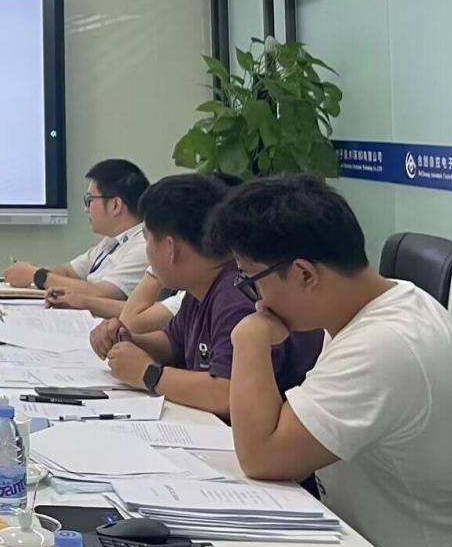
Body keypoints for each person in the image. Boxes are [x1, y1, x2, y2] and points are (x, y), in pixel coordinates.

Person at [213, 175, 452, 547]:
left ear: (304, 273)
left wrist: (248, 339)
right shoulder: (394, 299)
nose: (257, 301)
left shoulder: (383, 345)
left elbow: (262, 458)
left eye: (253, 281)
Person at [88, 172, 321, 416]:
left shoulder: (235, 295)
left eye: (148, 239)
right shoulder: (200, 286)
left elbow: (228, 393)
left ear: (170, 248)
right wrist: (127, 340)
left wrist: (149, 374)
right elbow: (173, 344)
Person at [2, 158, 151, 317]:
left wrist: (37, 276)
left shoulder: (144, 246)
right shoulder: (112, 242)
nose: (86, 209)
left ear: (115, 205)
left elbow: (101, 294)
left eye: (90, 200)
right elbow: (68, 271)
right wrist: (33, 271)